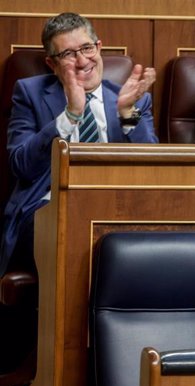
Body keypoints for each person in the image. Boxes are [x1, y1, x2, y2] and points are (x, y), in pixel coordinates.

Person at [0, 12, 157, 276]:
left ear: (99, 47)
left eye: (86, 48)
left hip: (119, 206)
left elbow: (152, 165)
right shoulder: (29, 93)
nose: (83, 60)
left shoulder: (132, 101)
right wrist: (70, 115)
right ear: (52, 63)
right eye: (69, 54)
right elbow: (21, 166)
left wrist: (128, 111)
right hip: (49, 208)